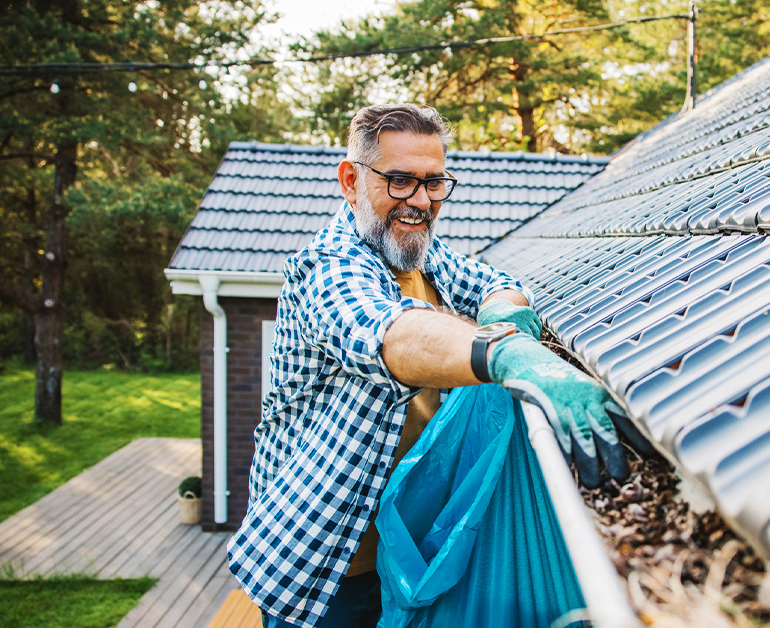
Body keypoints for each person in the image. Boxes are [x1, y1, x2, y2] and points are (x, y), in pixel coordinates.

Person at [227, 103, 651, 628]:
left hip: (408, 551)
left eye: (434, 183)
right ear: (350, 180)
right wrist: (510, 354)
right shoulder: (327, 266)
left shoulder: (419, 253)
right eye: (400, 181)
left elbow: (496, 283)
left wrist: (501, 309)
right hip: (326, 567)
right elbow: (392, 335)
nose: (420, 201)